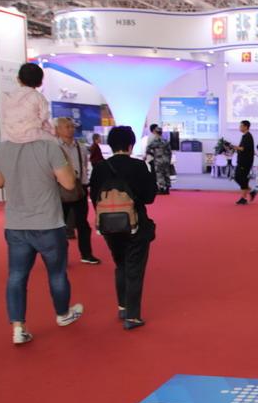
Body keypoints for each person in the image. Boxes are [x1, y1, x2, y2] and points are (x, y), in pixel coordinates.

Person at [0, 131, 85, 345]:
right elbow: (69, 183)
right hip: (48, 222)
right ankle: (63, 314)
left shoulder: (2, 148)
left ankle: (18, 327)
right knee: (57, 274)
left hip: (16, 223)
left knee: (16, 276)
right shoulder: (49, 147)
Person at [89, 126, 157, 330]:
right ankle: (133, 316)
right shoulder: (138, 166)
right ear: (130, 145)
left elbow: (94, 196)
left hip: (109, 224)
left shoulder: (100, 167)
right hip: (136, 223)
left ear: (110, 144)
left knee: (121, 265)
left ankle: (122, 306)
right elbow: (149, 197)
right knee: (135, 267)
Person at [56, 117, 100, 265]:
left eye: (72, 126)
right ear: (58, 130)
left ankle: (86, 254)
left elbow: (85, 166)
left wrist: (84, 185)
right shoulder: (53, 147)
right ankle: (60, 258)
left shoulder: (80, 147)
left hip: (79, 189)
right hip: (59, 190)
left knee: (83, 224)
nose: (71, 129)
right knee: (59, 226)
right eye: (67, 126)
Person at [0, 63, 56, 144]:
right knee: (56, 143)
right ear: (40, 83)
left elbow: (4, 117)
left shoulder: (7, 97)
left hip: (8, 137)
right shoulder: (38, 96)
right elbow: (44, 116)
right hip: (33, 135)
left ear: (18, 79)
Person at [234, 120, 257, 205]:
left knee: (240, 178)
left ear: (246, 127)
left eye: (241, 126)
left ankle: (245, 197)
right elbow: (242, 148)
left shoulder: (248, 136)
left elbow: (244, 148)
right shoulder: (245, 136)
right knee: (240, 178)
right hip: (242, 161)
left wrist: (234, 147)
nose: (239, 127)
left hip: (245, 162)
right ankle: (250, 192)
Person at [145, 124, 173, 195]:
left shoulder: (155, 141)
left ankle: (161, 188)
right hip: (166, 160)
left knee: (159, 174)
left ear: (156, 133)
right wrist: (169, 159)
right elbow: (170, 152)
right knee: (166, 173)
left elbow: (148, 149)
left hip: (158, 160)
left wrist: (153, 155)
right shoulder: (166, 141)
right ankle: (167, 188)